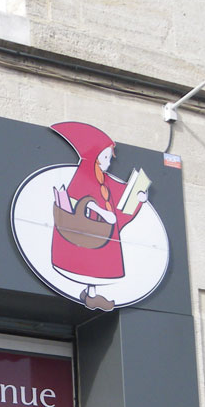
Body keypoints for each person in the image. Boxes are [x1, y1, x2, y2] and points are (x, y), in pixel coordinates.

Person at [50, 122, 148, 312]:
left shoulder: (104, 179)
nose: (109, 163)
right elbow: (79, 199)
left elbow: (121, 196)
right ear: (95, 157)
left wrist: (138, 198)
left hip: (101, 233)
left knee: (97, 264)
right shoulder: (83, 175)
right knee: (88, 263)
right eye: (106, 157)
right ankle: (90, 295)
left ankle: (90, 294)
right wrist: (103, 212)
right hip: (85, 232)